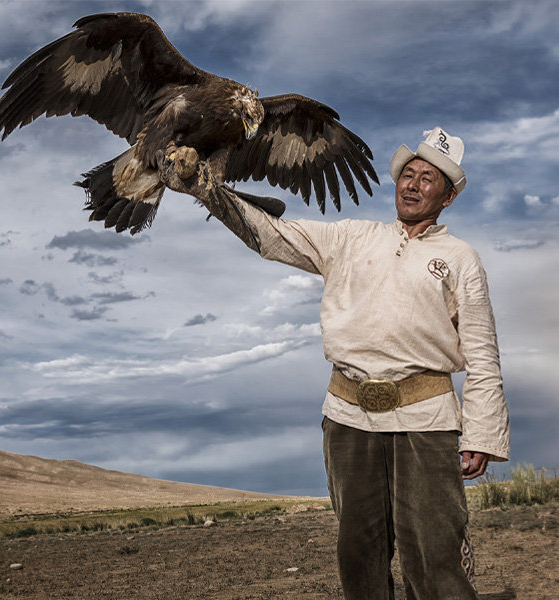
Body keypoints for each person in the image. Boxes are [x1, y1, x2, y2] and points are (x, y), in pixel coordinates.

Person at [193, 127, 510, 599]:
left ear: (447, 197)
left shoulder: (460, 258)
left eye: (428, 179)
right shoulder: (350, 238)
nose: (413, 184)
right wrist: (205, 188)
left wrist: (481, 434)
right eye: (408, 174)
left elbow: (482, 352)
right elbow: (274, 234)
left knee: (434, 550)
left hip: (426, 420)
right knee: (357, 549)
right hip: (347, 416)